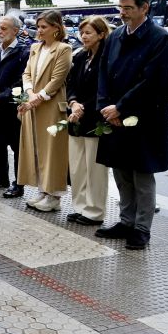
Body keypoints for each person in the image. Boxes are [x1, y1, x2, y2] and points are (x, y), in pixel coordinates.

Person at [94, 0, 168, 250]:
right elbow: (103, 74)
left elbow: (153, 82)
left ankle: (141, 228)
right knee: (121, 172)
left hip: (144, 118)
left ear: (144, 8)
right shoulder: (115, 36)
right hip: (115, 116)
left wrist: (121, 107)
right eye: (121, 7)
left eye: (128, 8)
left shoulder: (159, 38)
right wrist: (106, 106)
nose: (123, 13)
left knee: (142, 174)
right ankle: (125, 221)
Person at [17, 10, 73, 212]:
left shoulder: (63, 49)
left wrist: (37, 98)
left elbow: (57, 81)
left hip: (51, 106)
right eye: (38, 27)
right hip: (33, 105)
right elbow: (27, 73)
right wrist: (30, 93)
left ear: (56, 29)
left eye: (44, 27)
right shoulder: (34, 48)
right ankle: (42, 190)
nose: (39, 31)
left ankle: (54, 195)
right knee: (36, 148)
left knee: (53, 151)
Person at [66, 16, 111, 226]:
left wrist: (83, 108)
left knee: (95, 169)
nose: (84, 37)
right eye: (82, 32)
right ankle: (80, 206)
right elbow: (71, 84)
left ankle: (94, 211)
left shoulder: (107, 58)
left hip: (95, 120)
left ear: (101, 34)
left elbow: (105, 90)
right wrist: (73, 103)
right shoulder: (81, 56)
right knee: (77, 168)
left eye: (89, 33)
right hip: (76, 119)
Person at [0, 15, 30, 198]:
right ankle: (1, 178)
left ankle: (18, 184)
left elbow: (21, 81)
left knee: (17, 147)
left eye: (4, 28)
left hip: (11, 106)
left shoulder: (22, 52)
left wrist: (1, 97)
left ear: (15, 31)